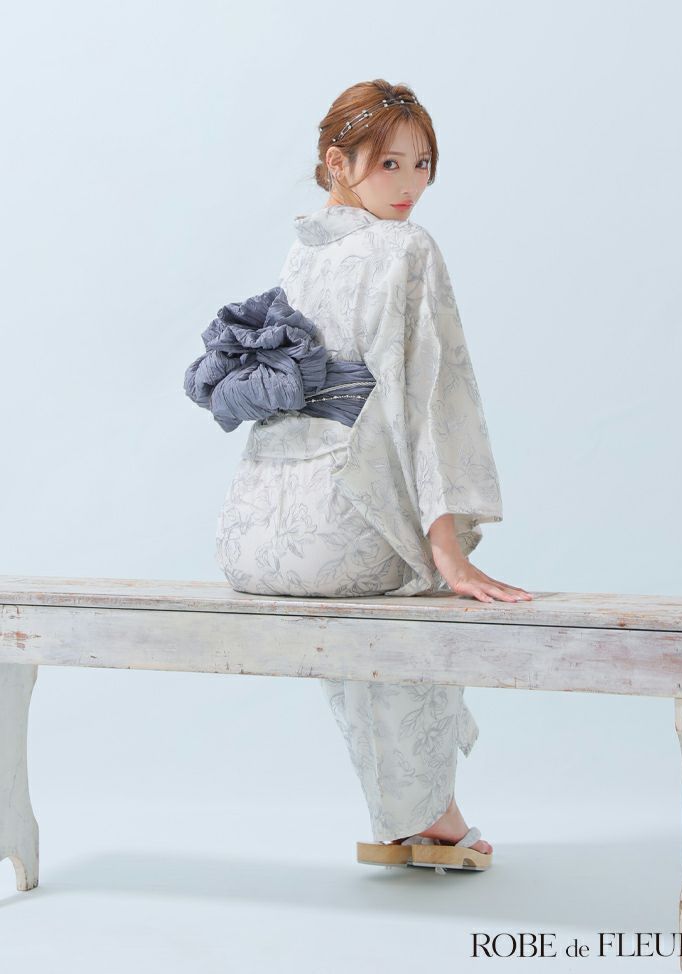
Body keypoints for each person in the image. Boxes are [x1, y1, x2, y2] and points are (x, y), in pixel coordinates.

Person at [213, 79, 533, 870]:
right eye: (389, 163)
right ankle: (435, 817)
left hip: (254, 539)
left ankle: (402, 817)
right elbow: (432, 401)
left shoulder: (302, 250)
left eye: (423, 164)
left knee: (365, 603)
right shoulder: (406, 248)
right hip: (339, 533)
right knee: (416, 584)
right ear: (337, 163)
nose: (410, 184)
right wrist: (448, 549)